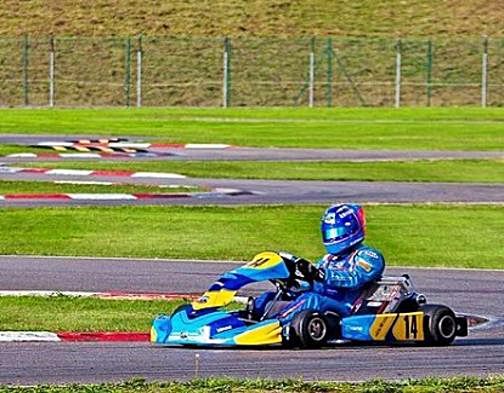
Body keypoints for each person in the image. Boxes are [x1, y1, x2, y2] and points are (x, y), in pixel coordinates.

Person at [253, 203, 385, 323]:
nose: (333, 236)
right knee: (268, 297)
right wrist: (293, 282)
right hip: (322, 304)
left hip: (347, 310)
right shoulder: (328, 259)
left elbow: (354, 278)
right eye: (329, 232)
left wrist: (321, 274)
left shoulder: (369, 256)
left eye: (337, 232)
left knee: (311, 299)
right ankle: (248, 319)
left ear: (352, 229)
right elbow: (314, 283)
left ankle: (276, 325)